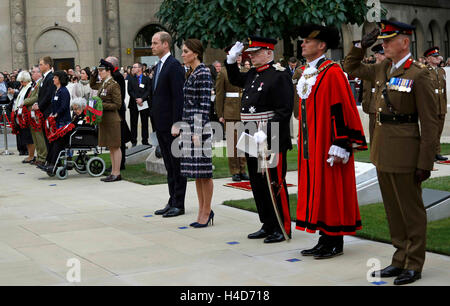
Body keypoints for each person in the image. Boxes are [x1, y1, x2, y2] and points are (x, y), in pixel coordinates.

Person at [344, 20, 439, 285]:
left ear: (405, 42)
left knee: (411, 210)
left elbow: (430, 124)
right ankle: (399, 258)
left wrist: (425, 161)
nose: (383, 44)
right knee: (393, 210)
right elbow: (350, 67)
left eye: (388, 40)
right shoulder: (383, 67)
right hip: (383, 149)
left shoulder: (419, 74)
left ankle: (414, 263)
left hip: (407, 151)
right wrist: (361, 47)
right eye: (381, 41)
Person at [295, 24, 368, 259]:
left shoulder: (333, 71)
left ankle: (335, 241)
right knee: (317, 190)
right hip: (311, 144)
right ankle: (323, 238)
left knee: (331, 190)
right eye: (303, 40)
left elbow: (340, 108)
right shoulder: (309, 71)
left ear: (322, 45)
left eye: (307, 40)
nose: (302, 44)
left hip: (328, 143)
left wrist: (340, 143)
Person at [225, 36, 294, 243]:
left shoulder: (279, 75)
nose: (251, 56)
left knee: (273, 182)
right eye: (250, 53)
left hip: (269, 134)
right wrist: (231, 61)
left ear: (268, 53)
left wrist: (267, 130)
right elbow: (236, 79)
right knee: (257, 182)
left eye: (256, 53)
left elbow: (284, 109)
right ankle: (267, 223)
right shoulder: (254, 73)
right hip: (250, 133)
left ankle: (282, 226)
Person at [176, 38, 215, 227]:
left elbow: (204, 104)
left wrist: (197, 131)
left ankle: (207, 211)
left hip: (199, 129)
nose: (182, 54)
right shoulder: (192, 72)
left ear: (195, 53)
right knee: (197, 172)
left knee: (204, 172)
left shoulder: (203, 73)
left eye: (185, 51)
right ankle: (202, 209)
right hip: (190, 127)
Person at [150, 31, 187, 218]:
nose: (152, 46)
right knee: (169, 165)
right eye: (151, 43)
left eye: (155, 43)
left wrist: (177, 123)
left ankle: (179, 203)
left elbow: (178, 98)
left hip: (172, 126)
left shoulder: (173, 66)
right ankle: (172, 199)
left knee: (177, 165)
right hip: (161, 125)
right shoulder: (159, 66)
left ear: (166, 44)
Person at [215, 45, 248, 182]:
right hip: (230, 110)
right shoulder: (223, 72)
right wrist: (220, 113)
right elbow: (219, 93)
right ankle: (234, 171)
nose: (239, 57)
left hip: (244, 111)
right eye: (236, 55)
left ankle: (242, 169)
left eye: (240, 55)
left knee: (243, 143)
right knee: (232, 144)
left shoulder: (246, 70)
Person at [90, 59, 123, 182]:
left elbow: (118, 104)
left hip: (112, 119)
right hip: (104, 119)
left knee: (115, 146)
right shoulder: (103, 83)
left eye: (101, 70)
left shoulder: (113, 84)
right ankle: (113, 172)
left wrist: (101, 105)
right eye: (98, 71)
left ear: (108, 71)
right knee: (110, 146)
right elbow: (92, 85)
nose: (100, 73)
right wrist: (93, 75)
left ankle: (117, 172)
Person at [41, 70, 72, 173]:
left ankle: (53, 164)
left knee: (57, 143)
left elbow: (64, 106)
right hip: (56, 121)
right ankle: (48, 163)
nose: (53, 79)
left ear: (60, 79)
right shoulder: (56, 91)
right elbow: (54, 105)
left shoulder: (64, 91)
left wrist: (56, 114)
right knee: (52, 142)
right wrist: (52, 114)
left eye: (55, 78)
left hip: (63, 121)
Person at [106, 56, 131, 171]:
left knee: (118, 137)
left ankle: (120, 163)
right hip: (114, 110)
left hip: (117, 111)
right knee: (115, 137)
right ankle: (118, 163)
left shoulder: (117, 76)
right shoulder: (113, 76)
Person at [424, 46, 448, 162]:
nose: (438, 58)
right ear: (428, 59)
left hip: (441, 105)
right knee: (430, 131)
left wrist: (444, 104)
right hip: (431, 106)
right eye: (434, 56)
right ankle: (430, 154)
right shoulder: (425, 71)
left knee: (438, 130)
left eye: (438, 56)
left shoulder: (441, 71)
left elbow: (444, 91)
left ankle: (436, 153)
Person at [358, 43, 386, 143]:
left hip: (388, 103)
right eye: (382, 54)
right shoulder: (371, 69)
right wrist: (366, 104)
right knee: (374, 131)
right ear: (376, 55)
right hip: (374, 103)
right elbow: (366, 88)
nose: (385, 56)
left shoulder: (390, 68)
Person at [22, 66, 47, 166]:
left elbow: (37, 97)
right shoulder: (34, 84)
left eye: (34, 72)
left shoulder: (40, 82)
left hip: (37, 112)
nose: (32, 74)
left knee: (39, 135)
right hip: (31, 113)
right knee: (35, 136)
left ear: (39, 73)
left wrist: (25, 102)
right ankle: (39, 156)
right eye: (32, 72)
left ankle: (43, 156)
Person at [10, 71, 35, 162]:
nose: (21, 83)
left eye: (22, 81)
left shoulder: (30, 88)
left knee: (28, 136)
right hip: (20, 114)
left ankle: (31, 155)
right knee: (25, 136)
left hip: (26, 114)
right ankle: (29, 154)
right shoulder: (24, 87)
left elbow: (27, 100)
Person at [128, 62, 152, 146]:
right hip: (134, 104)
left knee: (144, 123)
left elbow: (148, 90)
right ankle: (133, 141)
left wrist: (142, 99)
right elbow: (130, 91)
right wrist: (136, 99)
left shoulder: (147, 79)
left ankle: (145, 141)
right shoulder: (131, 79)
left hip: (144, 104)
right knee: (133, 123)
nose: (132, 69)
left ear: (140, 69)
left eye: (134, 67)